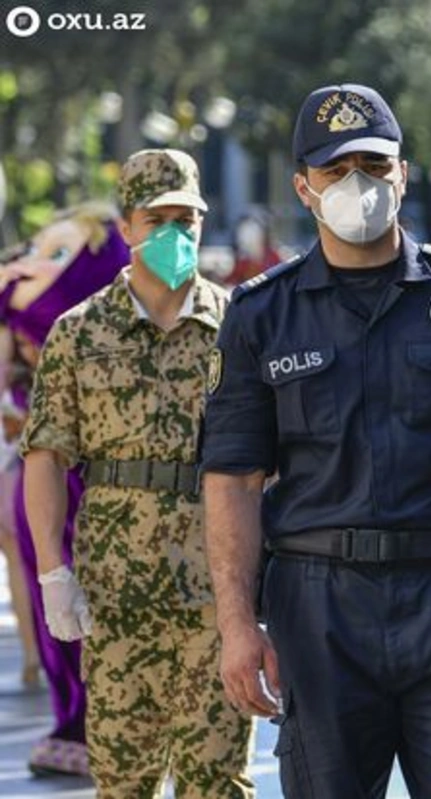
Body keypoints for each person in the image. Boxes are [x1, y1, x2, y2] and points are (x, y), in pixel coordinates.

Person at [201, 83, 431, 799]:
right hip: (318, 607)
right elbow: (233, 478)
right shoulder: (262, 314)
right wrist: (238, 625)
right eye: (336, 170)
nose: (357, 183)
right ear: (304, 187)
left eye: (374, 164)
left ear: (403, 174)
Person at [20, 150, 253, 797]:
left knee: (218, 780)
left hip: (219, 598)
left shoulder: (241, 327)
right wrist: (51, 572)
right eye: (159, 218)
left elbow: (274, 461)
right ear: (126, 227)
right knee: (124, 781)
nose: (176, 233)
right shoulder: (78, 333)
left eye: (189, 217)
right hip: (116, 600)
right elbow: (45, 457)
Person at [0, 201, 130, 776]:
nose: (31, 265)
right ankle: (73, 715)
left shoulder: (108, 323)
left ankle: (114, 720)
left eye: (53, 253)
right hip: (41, 469)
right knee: (49, 590)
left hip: (103, 483)